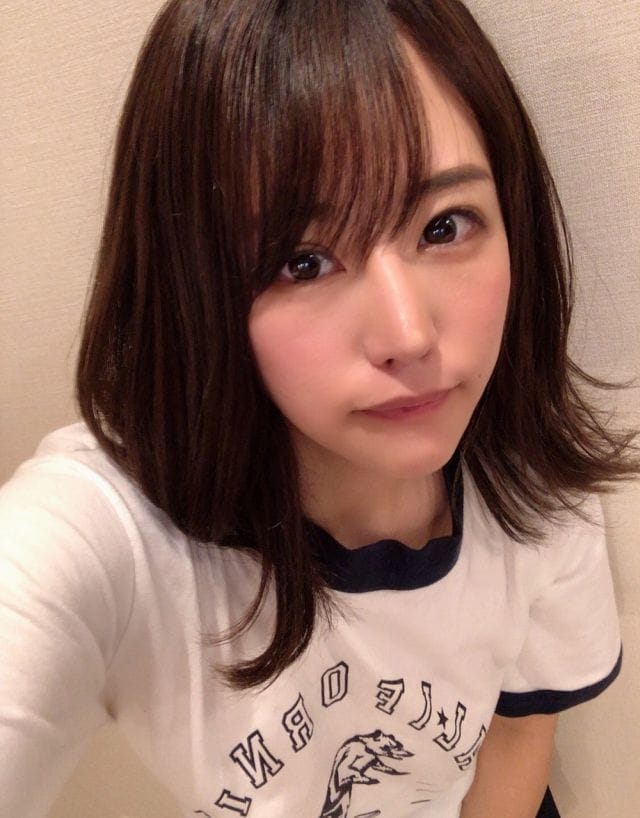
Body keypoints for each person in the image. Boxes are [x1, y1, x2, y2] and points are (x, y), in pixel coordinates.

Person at [0, 1, 637, 816]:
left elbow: (519, 736)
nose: (408, 335)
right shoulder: (117, 536)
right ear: (197, 290)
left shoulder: (533, 484)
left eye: (444, 226)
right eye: (302, 262)